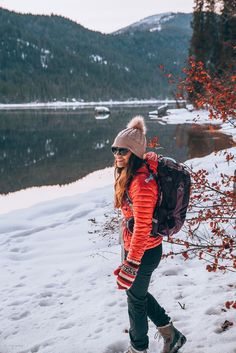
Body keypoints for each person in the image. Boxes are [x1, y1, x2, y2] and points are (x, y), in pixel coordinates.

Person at [112, 116, 187, 353]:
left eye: (123, 151)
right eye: (115, 150)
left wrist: (132, 263)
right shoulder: (131, 175)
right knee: (137, 295)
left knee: (135, 300)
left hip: (144, 251)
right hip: (135, 246)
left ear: (134, 153)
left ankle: (138, 348)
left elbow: (143, 227)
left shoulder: (142, 183)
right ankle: (171, 334)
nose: (117, 155)